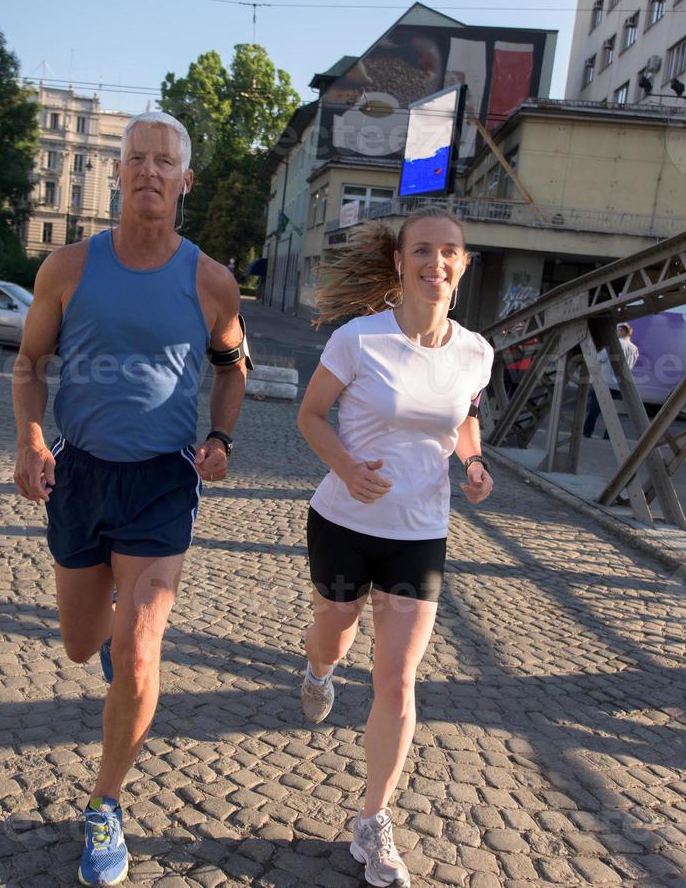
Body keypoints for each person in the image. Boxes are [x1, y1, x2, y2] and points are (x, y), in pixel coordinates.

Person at [11, 110, 248, 886]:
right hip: (80, 475)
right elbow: (27, 364)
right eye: (136, 159)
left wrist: (218, 439)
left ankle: (105, 805)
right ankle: (113, 642)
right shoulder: (68, 267)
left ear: (186, 181)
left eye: (164, 162)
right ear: (116, 173)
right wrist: (31, 439)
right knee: (85, 645)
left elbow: (233, 365)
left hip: (160, 485)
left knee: (141, 654)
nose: (149, 172)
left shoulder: (211, 281)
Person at [295, 209, 494, 888]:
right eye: (421, 251)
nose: (434, 263)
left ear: (461, 266)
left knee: (397, 677)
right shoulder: (359, 340)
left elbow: (464, 419)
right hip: (344, 522)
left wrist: (470, 463)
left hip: (418, 532)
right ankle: (318, 671)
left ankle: (372, 820)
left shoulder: (476, 352)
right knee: (333, 632)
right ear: (399, 263)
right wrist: (348, 468)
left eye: (448, 253)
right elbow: (310, 414)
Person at [583, 322, 640, 439]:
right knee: (613, 414)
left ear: (623, 331)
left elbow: (600, 358)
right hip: (620, 385)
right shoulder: (634, 349)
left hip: (606, 382)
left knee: (594, 410)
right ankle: (608, 435)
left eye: (618, 330)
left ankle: (587, 432)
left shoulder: (616, 343)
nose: (616, 332)